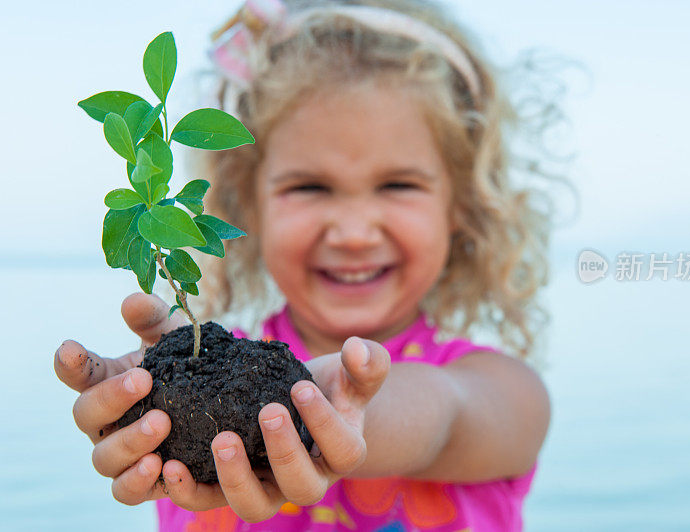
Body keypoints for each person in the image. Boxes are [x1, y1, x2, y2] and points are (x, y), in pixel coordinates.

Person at [55, 0, 557, 529]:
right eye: (310, 187)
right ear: (247, 202)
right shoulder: (199, 373)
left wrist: (334, 413)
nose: (353, 233)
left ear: (462, 207)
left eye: (398, 185)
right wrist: (140, 413)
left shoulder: (502, 391)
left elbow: (446, 414)